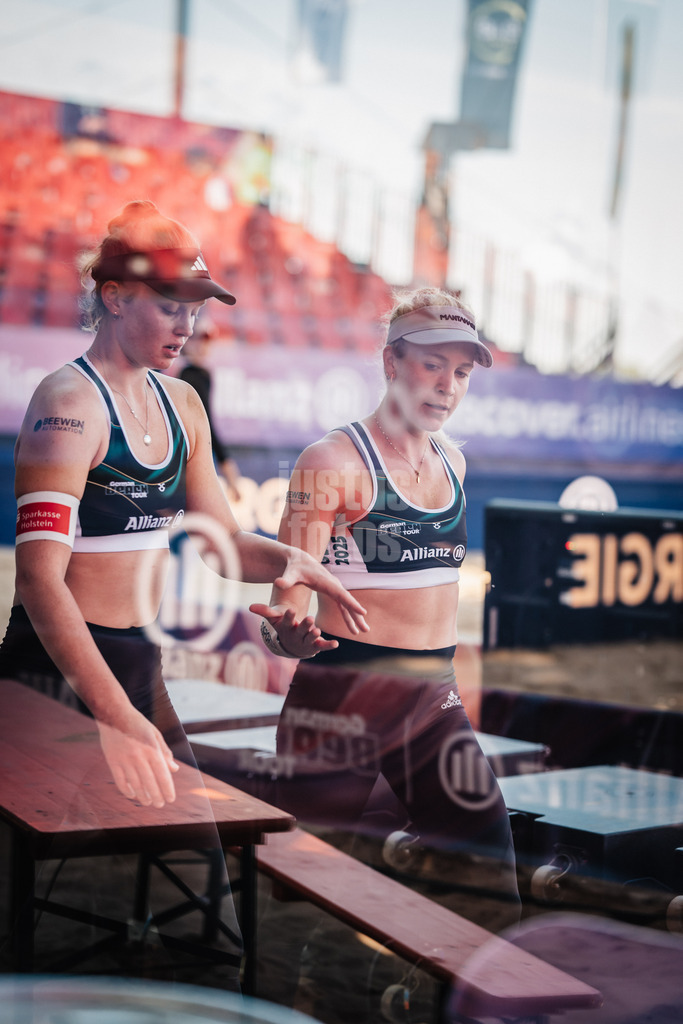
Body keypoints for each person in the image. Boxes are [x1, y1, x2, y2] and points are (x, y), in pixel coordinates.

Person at [0, 199, 368, 811]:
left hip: (137, 664)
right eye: (171, 306)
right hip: (50, 669)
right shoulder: (67, 404)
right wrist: (116, 716)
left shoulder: (182, 403)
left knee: (198, 853)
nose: (187, 327)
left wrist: (293, 563)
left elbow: (222, 546)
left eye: (194, 311)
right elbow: (39, 582)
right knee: (42, 865)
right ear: (115, 297)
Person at [252, 287, 519, 928]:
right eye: (433, 364)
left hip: (432, 700)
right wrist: (290, 636)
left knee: (490, 875)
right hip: (339, 702)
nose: (448, 386)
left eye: (462, 372)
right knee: (299, 900)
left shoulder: (454, 462)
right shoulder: (331, 462)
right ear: (391, 361)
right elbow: (282, 613)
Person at [178, 319, 241, 502]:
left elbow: (205, 423)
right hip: (180, 457)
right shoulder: (187, 374)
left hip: (187, 456)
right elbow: (204, 425)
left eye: (206, 340)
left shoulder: (200, 374)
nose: (202, 345)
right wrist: (226, 465)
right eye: (197, 339)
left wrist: (225, 462)